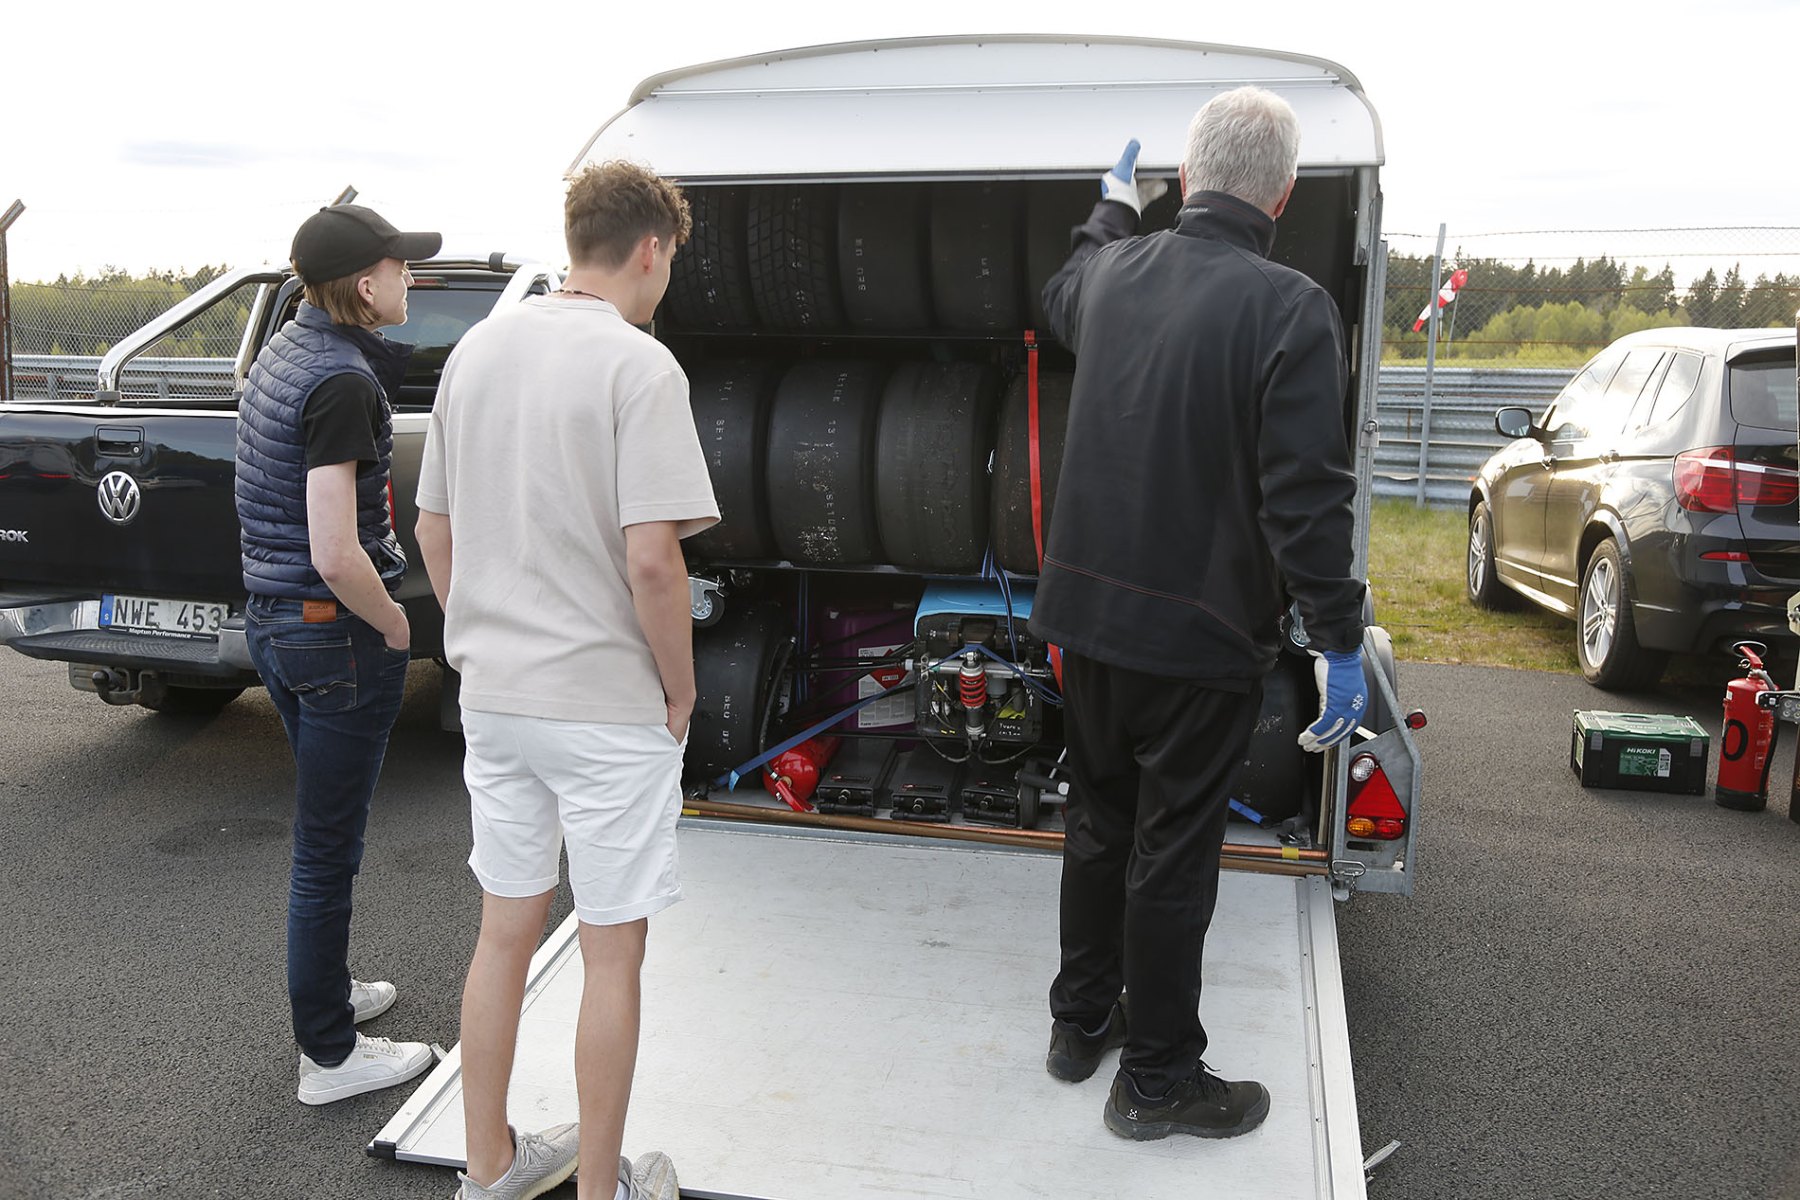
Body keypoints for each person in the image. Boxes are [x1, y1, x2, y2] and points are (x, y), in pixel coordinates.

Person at [1031, 89, 1370, 1141]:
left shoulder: (1112, 274)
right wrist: (1339, 638)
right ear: (1284, 194)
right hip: (1200, 642)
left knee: (1099, 826)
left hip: (1086, 625)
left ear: (1185, 179)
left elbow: (1061, 289)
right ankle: (1157, 1082)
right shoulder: (1291, 309)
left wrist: (1107, 208)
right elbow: (1307, 500)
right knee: (1171, 855)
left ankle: (1080, 1023)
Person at [414, 160, 716, 1200]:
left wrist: (479, 640)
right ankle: (599, 1189)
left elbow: (434, 531)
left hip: (496, 698)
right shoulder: (641, 367)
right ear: (650, 250)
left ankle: (488, 1168)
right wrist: (680, 691)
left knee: (503, 934)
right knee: (610, 953)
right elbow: (654, 562)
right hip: (604, 707)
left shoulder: (478, 350)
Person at [234, 203, 442, 1105]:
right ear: (365, 284)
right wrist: (395, 626)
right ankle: (329, 1055)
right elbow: (334, 546)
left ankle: (329, 991)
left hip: (277, 622)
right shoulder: (343, 381)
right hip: (331, 632)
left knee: (323, 843)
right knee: (326, 853)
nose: (411, 279)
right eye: (401, 267)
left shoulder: (285, 350)